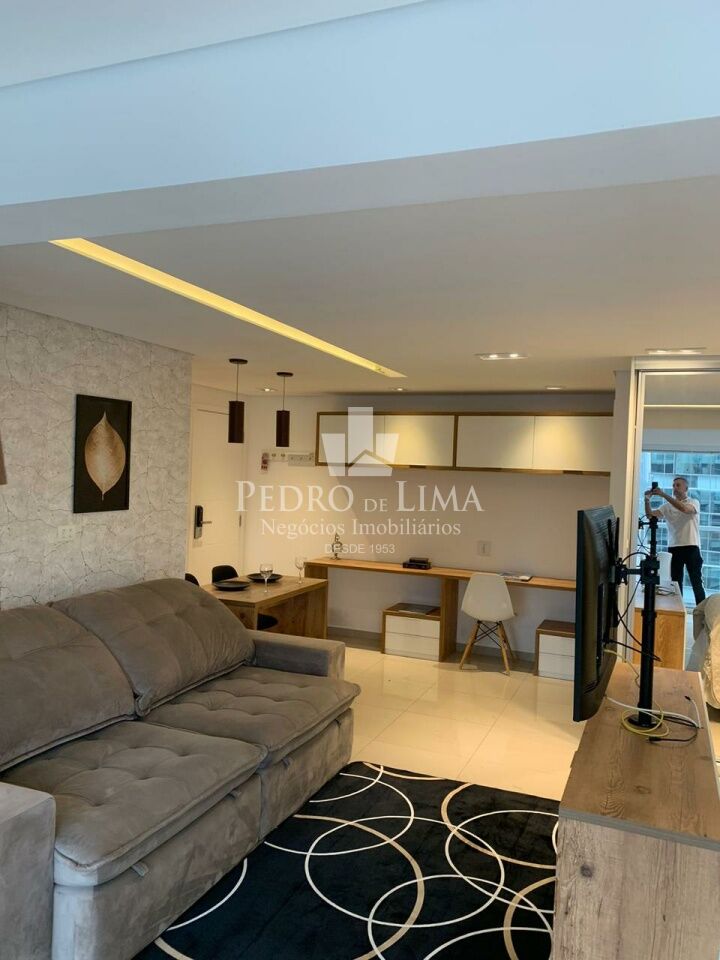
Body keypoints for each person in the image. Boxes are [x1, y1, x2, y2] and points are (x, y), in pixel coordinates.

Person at [644, 476, 705, 604]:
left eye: (678, 485)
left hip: (691, 546)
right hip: (674, 547)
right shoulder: (667, 506)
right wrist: (647, 500)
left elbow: (684, 509)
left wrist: (663, 494)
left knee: (696, 582)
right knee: (676, 582)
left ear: (686, 488)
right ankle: (679, 609)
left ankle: (702, 611)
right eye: (673, 485)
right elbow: (650, 515)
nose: (675, 488)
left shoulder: (693, 502)